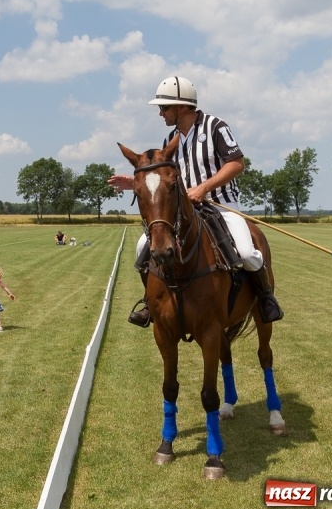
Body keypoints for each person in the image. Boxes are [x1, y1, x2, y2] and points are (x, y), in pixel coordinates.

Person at [108, 75, 284, 327]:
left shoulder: (215, 126)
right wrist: (134, 183)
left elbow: (236, 163)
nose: (160, 113)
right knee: (141, 248)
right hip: (184, 212)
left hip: (221, 205)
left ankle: (266, 299)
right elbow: (162, 179)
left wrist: (204, 188)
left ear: (181, 106)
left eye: (163, 107)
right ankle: (150, 302)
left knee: (246, 252)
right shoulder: (169, 141)